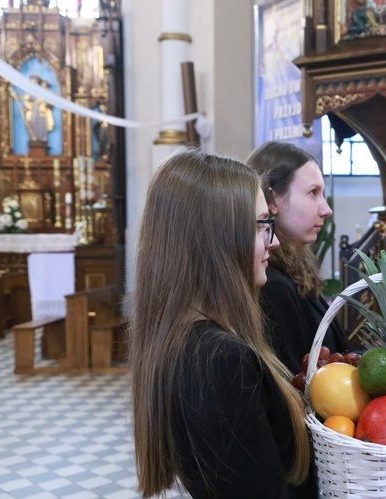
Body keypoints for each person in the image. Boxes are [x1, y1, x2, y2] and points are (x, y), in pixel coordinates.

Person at [130, 149, 317, 498]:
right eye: (262, 225)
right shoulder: (221, 361)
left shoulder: (193, 338)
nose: (273, 242)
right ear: (219, 236)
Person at [246, 141, 349, 376]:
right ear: (273, 201)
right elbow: (295, 380)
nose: (326, 209)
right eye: (313, 193)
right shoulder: (270, 284)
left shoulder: (292, 270)